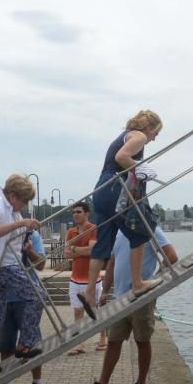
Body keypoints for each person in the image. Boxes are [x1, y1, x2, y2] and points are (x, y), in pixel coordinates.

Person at [78, 227, 178, 384]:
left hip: (141, 297)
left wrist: (154, 280)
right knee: (114, 341)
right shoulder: (118, 232)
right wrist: (105, 291)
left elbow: (171, 255)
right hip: (120, 298)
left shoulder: (150, 228)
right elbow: (113, 264)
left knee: (142, 341)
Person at [81, 110, 164, 319]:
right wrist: (140, 168)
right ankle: (137, 283)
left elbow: (115, 159)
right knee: (141, 233)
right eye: (156, 133)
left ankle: (90, 292)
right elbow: (122, 157)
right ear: (149, 128)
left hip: (101, 189)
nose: (154, 138)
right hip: (115, 188)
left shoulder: (123, 135)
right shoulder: (139, 136)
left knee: (102, 245)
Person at [0, 174, 43, 378]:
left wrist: (23, 237)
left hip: (2, 266)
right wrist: (21, 223)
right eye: (23, 201)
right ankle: (25, 343)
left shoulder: (8, 207)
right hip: (3, 265)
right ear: (13, 196)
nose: (23, 206)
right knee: (37, 294)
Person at [0, 227, 49, 384]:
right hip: (3, 297)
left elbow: (41, 265)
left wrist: (29, 251)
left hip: (27, 296)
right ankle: (6, 380)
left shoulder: (31, 235)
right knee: (5, 344)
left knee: (31, 342)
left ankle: (37, 383)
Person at [64, 201, 108, 354]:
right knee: (78, 312)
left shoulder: (92, 228)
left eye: (79, 212)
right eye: (74, 212)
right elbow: (66, 253)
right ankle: (79, 343)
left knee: (97, 310)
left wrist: (75, 249)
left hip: (92, 279)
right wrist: (80, 250)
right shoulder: (70, 232)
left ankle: (103, 338)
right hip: (75, 279)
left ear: (87, 213)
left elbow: (92, 250)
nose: (75, 214)